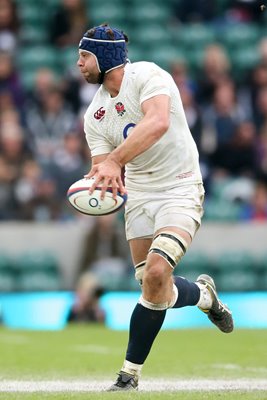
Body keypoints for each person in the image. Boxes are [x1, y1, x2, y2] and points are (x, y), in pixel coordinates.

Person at [77, 23, 234, 392]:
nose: (79, 63)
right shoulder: (94, 115)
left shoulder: (148, 75)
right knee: (153, 284)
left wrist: (114, 162)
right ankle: (205, 296)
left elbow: (158, 122)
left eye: (84, 55)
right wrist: (99, 184)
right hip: (141, 195)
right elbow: (105, 168)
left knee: (158, 272)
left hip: (179, 185)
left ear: (105, 56)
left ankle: (128, 375)